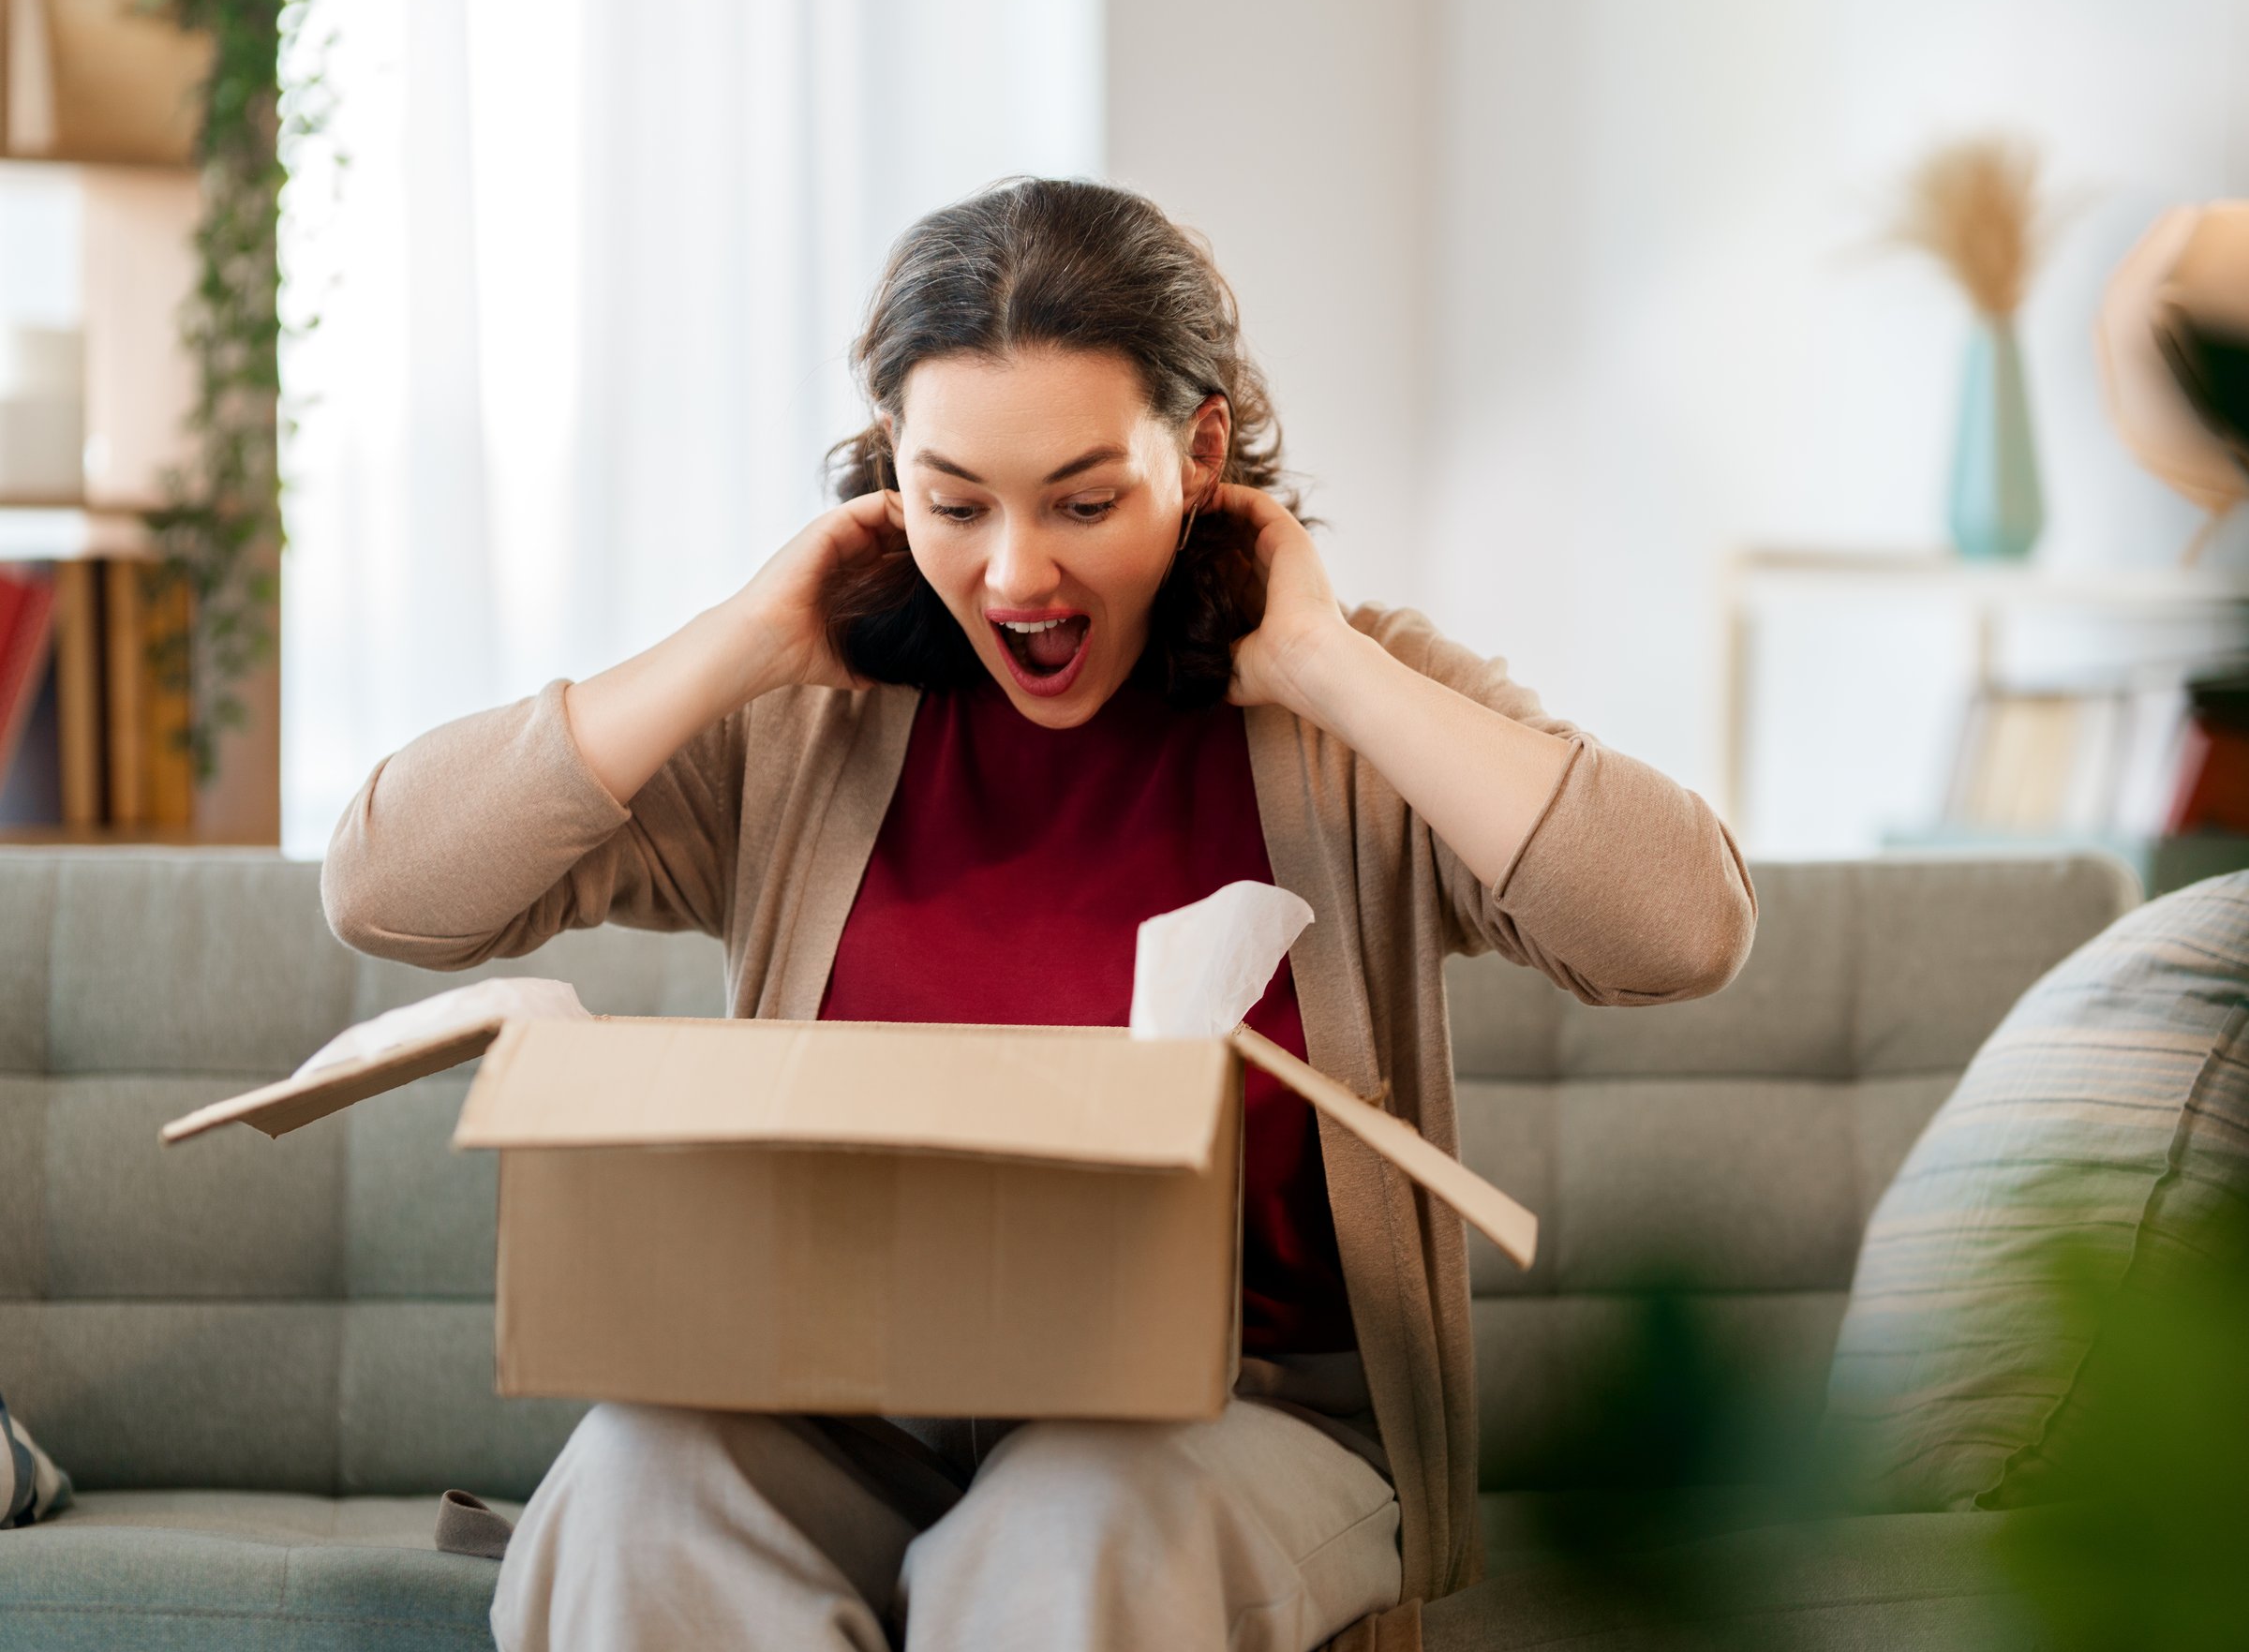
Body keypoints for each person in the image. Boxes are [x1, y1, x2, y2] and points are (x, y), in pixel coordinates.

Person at [321, 174, 1759, 1652]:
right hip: (848, 1409)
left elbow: (1683, 929)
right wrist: (739, 642)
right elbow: (384, 888)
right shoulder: (804, 729)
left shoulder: (1350, 713)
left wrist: (1328, 665)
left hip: (1224, 1422)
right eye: (955, 503)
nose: (1016, 573)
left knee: (1069, 1526)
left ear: (1199, 453)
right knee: (635, 1483)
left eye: (1084, 501)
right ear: (892, 467)